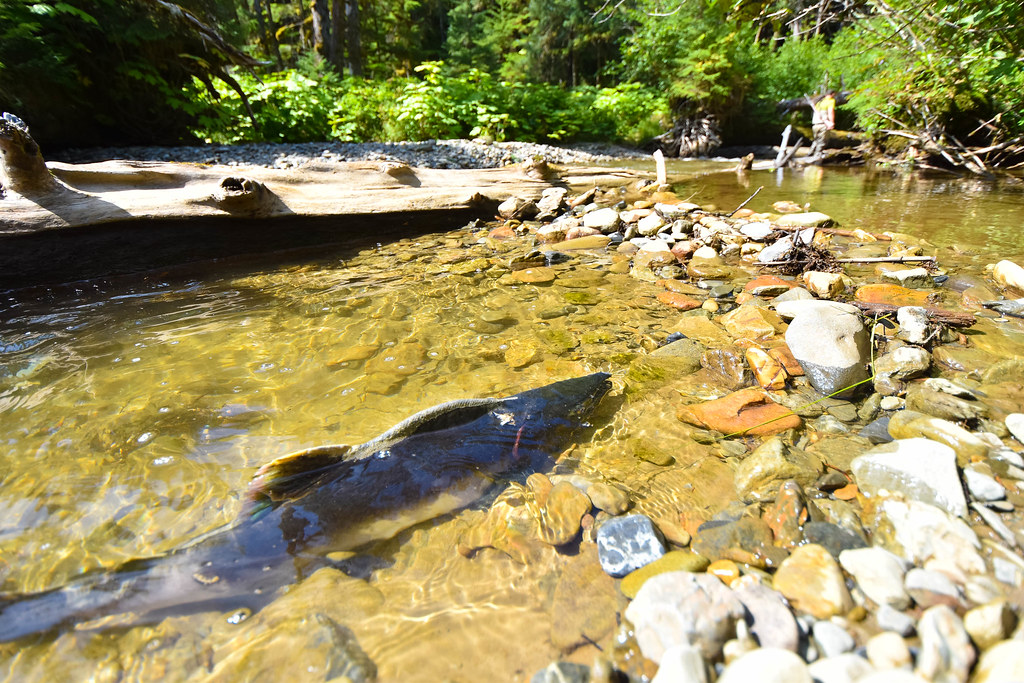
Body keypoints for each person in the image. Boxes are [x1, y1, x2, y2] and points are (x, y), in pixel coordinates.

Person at [810, 91, 836, 158]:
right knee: (822, 142)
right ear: (832, 94)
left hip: (815, 125)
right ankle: (817, 156)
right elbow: (831, 112)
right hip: (823, 125)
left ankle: (810, 153)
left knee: (816, 140)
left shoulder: (818, 101)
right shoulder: (831, 101)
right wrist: (831, 122)